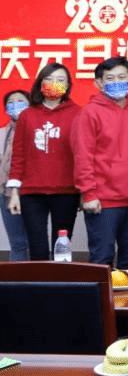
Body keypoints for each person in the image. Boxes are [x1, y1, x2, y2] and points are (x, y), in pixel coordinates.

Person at [71, 56, 128, 268]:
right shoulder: (89, 113)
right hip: (102, 201)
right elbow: (83, 156)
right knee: (102, 257)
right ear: (98, 83)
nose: (117, 82)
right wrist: (88, 193)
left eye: (122, 77)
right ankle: (103, 293)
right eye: (110, 78)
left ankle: (126, 293)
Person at [6, 64, 82, 261]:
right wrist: (14, 192)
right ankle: (40, 282)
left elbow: (83, 155)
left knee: (62, 248)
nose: (54, 84)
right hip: (32, 193)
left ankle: (61, 281)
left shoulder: (78, 113)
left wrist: (85, 190)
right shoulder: (27, 115)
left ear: (68, 85)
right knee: (37, 249)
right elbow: (18, 155)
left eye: (60, 80)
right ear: (40, 83)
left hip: (66, 192)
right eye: (49, 79)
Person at [0, 91, 31, 260]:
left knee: (37, 242)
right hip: (6, 192)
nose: (15, 104)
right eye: (11, 102)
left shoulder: (37, 131)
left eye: (20, 100)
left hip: (32, 191)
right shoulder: (2, 134)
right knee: (17, 242)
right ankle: (17, 276)